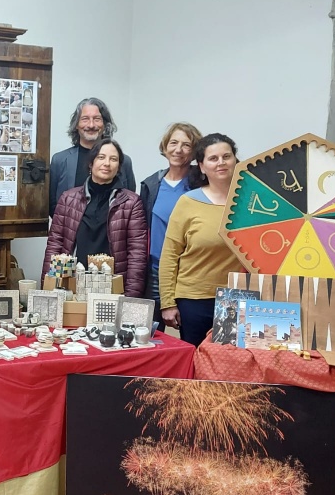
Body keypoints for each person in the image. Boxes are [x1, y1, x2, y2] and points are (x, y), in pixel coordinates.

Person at [158, 133, 244, 346]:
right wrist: (167, 303)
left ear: (235, 161)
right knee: (196, 358)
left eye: (226, 156)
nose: (221, 162)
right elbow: (169, 255)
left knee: (226, 359)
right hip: (193, 299)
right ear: (202, 166)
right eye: (213, 158)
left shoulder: (250, 203)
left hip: (234, 298)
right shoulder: (188, 202)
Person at [42, 138, 147, 297]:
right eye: (101, 157)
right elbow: (55, 244)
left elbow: (137, 254)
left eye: (113, 159)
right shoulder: (68, 199)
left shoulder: (131, 203)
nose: (107, 163)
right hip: (72, 284)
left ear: (119, 166)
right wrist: (48, 288)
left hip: (113, 288)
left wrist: (131, 297)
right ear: (91, 163)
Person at [139, 122, 203, 324]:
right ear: (165, 146)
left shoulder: (202, 184)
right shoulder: (151, 184)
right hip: (155, 271)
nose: (178, 150)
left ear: (194, 151)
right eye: (173, 143)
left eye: (186, 145)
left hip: (190, 272)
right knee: (151, 332)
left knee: (190, 333)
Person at [49, 98, 136, 218]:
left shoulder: (124, 162)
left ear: (105, 124)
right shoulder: (59, 160)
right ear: (76, 125)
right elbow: (52, 204)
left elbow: (130, 203)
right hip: (71, 228)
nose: (91, 125)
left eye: (97, 119)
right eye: (85, 119)